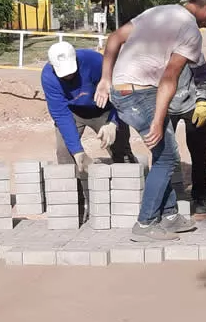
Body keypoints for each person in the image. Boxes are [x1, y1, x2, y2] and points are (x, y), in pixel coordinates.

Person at [94, 0, 206, 242]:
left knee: (165, 154)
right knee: (166, 158)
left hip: (122, 91)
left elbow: (113, 38)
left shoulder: (158, 12)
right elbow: (169, 78)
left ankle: (170, 215)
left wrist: (105, 79)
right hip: (140, 95)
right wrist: (157, 121)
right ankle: (145, 224)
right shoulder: (191, 32)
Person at [41, 41, 136, 220]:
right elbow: (61, 115)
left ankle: (127, 202)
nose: (69, 77)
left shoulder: (94, 61)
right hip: (73, 113)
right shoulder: (48, 77)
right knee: (65, 153)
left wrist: (113, 122)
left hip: (105, 109)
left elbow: (121, 91)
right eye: (64, 75)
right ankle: (75, 207)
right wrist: (77, 151)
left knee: (120, 149)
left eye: (72, 72)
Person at [169, 53, 206, 214]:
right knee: (164, 153)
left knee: (199, 153)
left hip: (192, 104)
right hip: (165, 106)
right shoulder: (155, 50)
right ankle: (169, 197)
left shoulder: (190, 48)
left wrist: (202, 100)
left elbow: (204, 74)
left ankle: (200, 196)